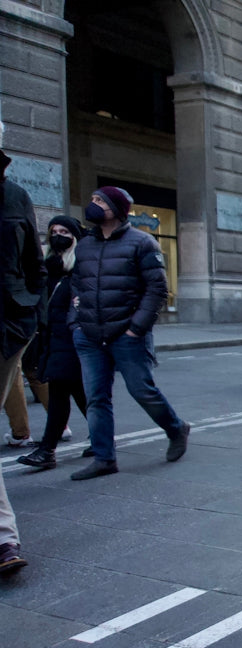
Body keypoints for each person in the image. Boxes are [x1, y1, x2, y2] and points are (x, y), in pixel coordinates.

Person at [70, 186, 190, 480]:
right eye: (93, 198)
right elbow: (77, 283)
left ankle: (176, 428)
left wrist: (137, 328)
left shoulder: (142, 242)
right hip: (89, 334)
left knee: (141, 390)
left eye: (99, 200)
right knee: (96, 398)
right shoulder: (85, 244)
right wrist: (75, 321)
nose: (92, 204)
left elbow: (157, 288)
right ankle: (104, 458)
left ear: (116, 209)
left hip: (126, 334)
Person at [0, 132, 46, 570]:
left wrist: (29, 316)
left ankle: (2, 540)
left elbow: (33, 264)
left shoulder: (15, 195)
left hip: (6, 327)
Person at [18, 216, 88, 472]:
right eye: (54, 231)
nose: (58, 235)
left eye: (64, 231)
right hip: (51, 336)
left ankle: (47, 450)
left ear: (75, 236)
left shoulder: (80, 265)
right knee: (78, 391)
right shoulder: (47, 266)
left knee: (60, 390)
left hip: (72, 336)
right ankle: (102, 437)